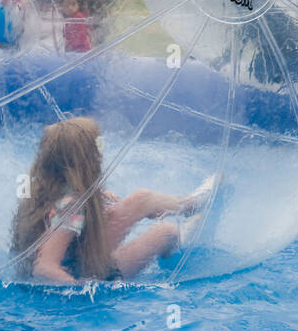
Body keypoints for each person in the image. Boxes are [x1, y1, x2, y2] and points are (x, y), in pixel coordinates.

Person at [11, 117, 214, 284]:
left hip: (83, 257)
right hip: (93, 274)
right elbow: (43, 267)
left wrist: (96, 195)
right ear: (86, 159)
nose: (102, 151)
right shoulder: (71, 207)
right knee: (165, 232)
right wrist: (85, 289)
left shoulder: (48, 186)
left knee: (140, 199)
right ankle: (182, 234)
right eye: (99, 145)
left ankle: (189, 204)